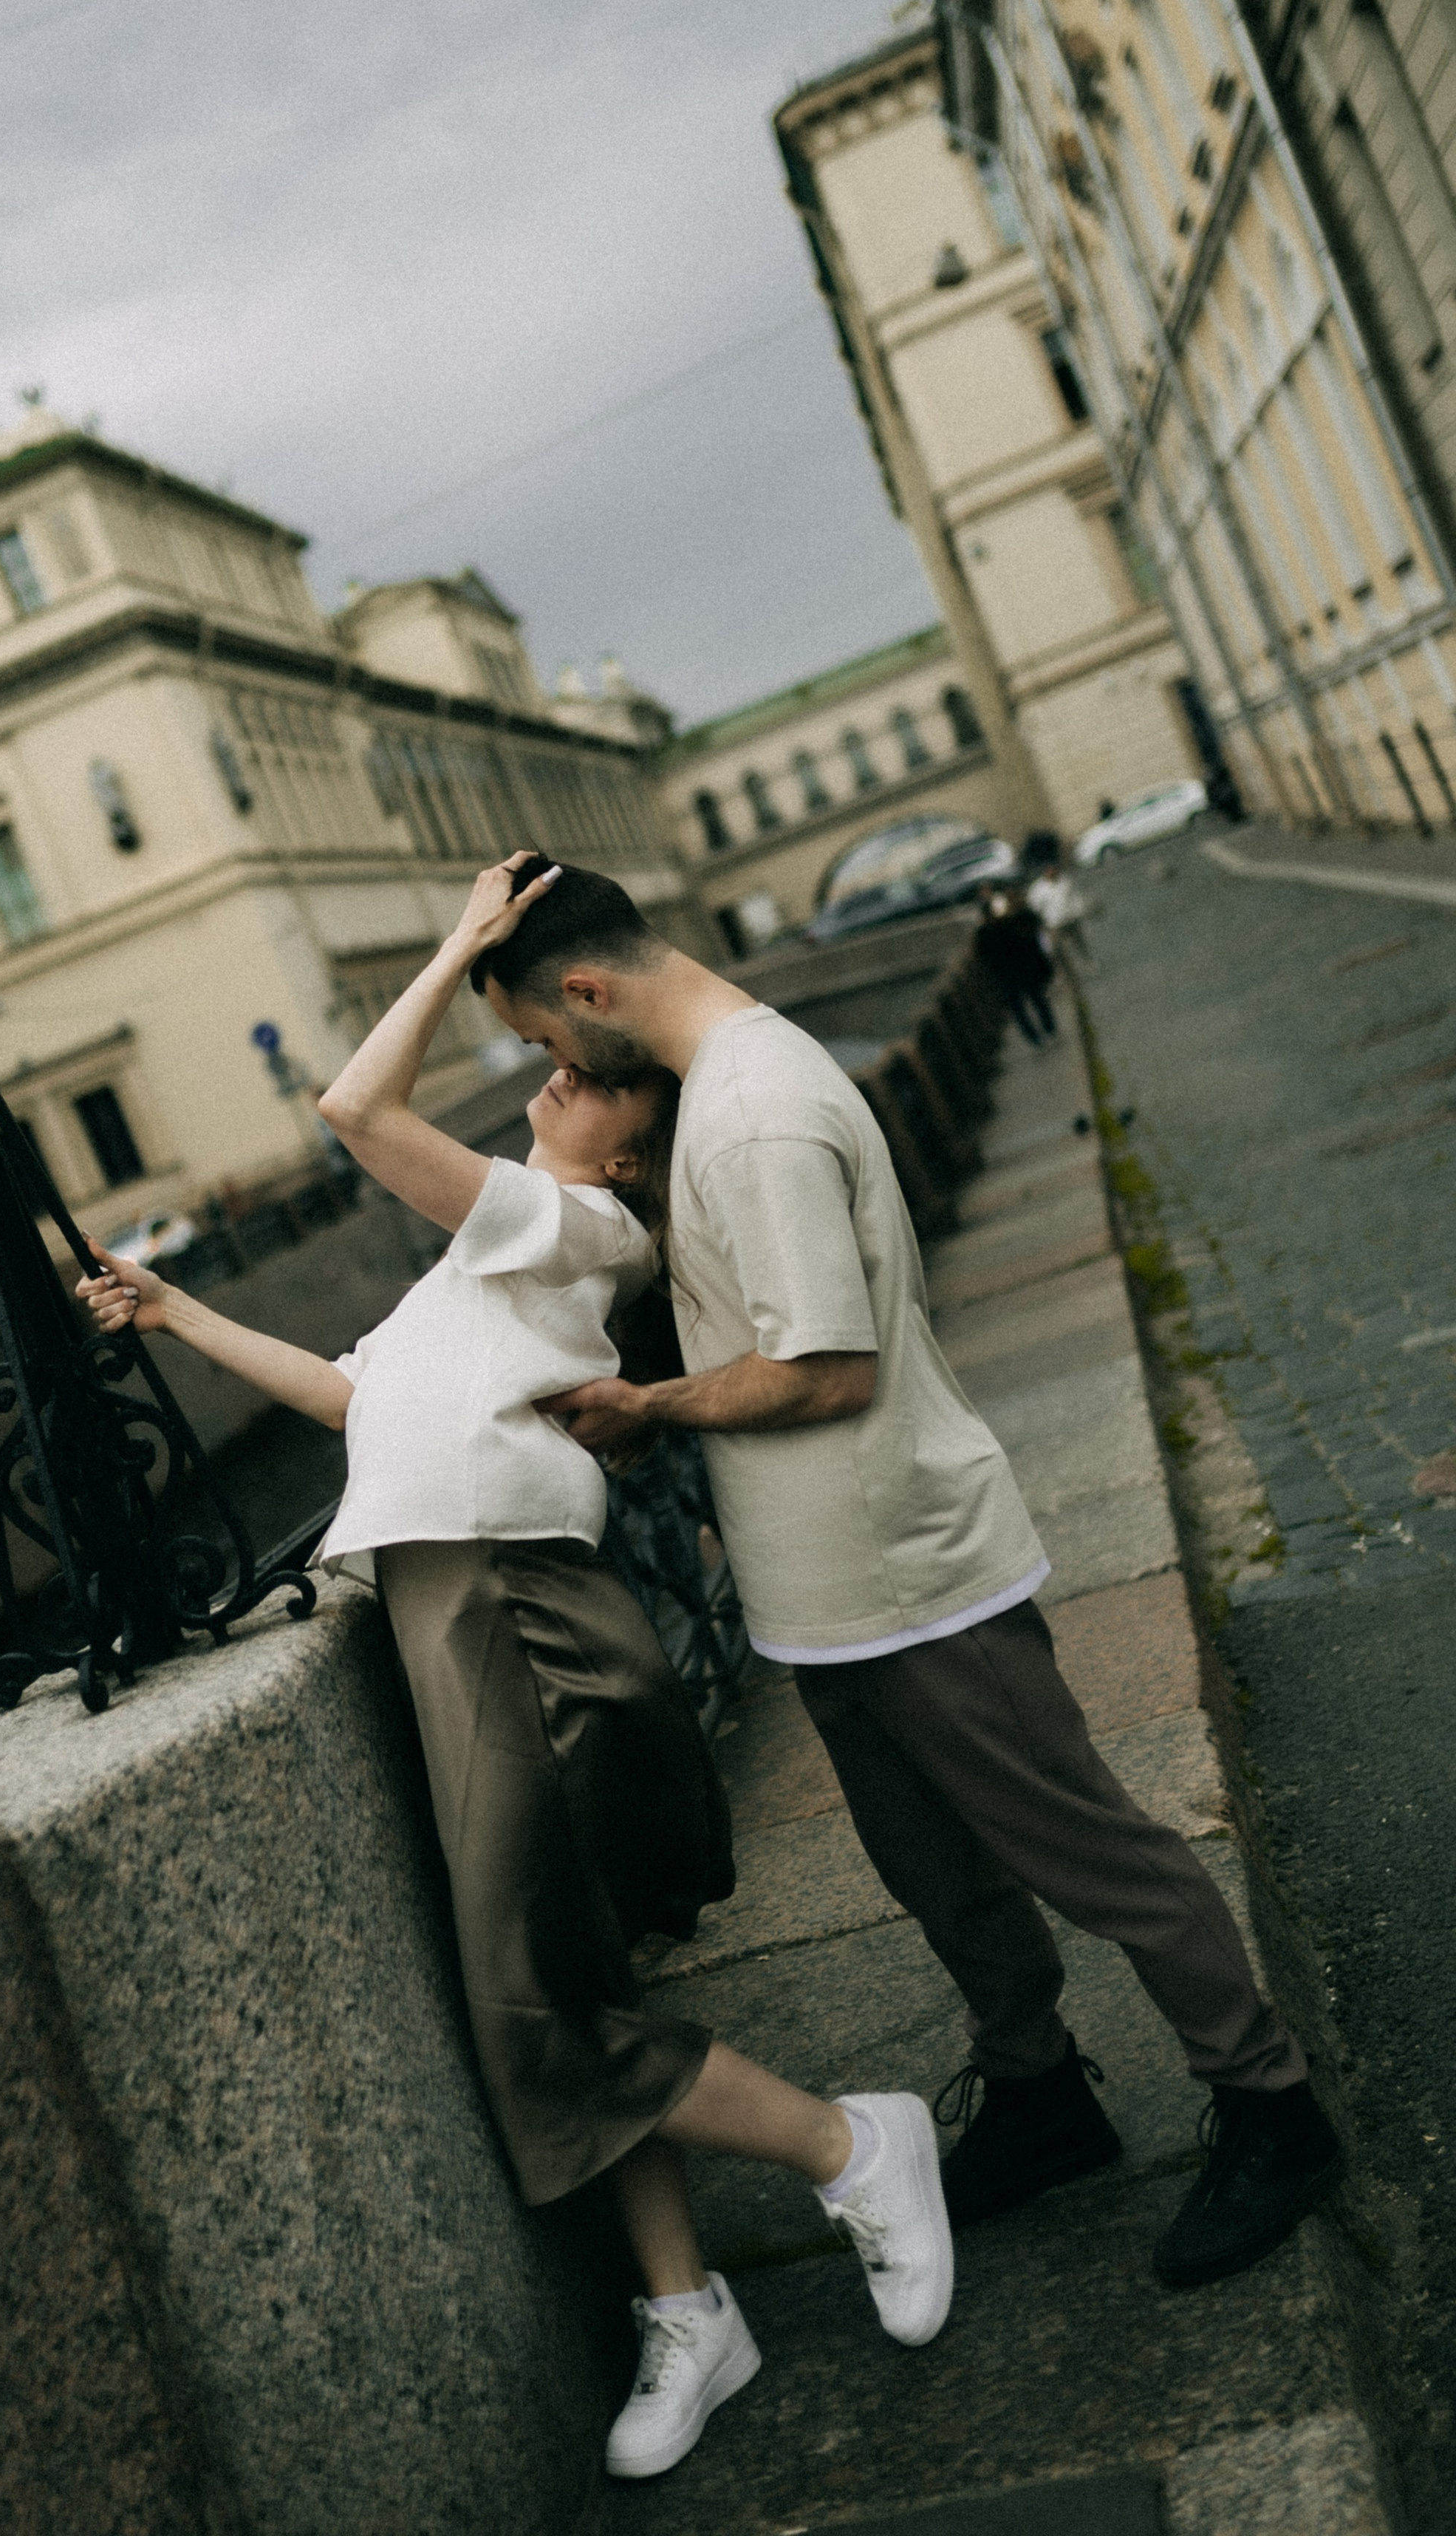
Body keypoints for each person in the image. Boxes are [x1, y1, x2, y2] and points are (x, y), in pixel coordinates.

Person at [78, 856, 952, 2483]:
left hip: (506, 1602)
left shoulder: (577, 1228)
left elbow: (355, 1105)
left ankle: (848, 2143)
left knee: (533, 2010)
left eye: (572, 1079)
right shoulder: (490, 1269)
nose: (547, 1080)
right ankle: (691, 2311)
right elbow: (356, 1402)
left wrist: (460, 944)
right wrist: (178, 1312)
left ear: (624, 1150)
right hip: (452, 1590)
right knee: (572, 1978)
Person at [474, 857, 1343, 2294]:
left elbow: (823, 1369)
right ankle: (1040, 2094)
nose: (552, 1068)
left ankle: (1269, 2104)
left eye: (542, 1039)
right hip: (827, 1596)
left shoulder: (750, 1114)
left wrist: (649, 1411)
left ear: (585, 991)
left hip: (910, 1575)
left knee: (1091, 1851)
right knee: (938, 1873)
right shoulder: (717, 1096)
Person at [975, 885, 1059, 1047]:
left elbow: (984, 959)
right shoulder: (1006, 925)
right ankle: (1046, 1032)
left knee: (1023, 1008)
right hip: (1018, 972)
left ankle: (1038, 1036)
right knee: (1033, 1002)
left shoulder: (986, 932)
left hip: (1008, 976)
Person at [1027, 860, 1094, 976]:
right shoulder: (1038, 889)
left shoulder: (1064, 882)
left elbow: (1074, 898)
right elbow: (1034, 908)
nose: (1052, 872)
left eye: (1054, 869)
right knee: (1056, 949)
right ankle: (1065, 972)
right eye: (1049, 870)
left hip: (1069, 919)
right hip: (1054, 923)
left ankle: (1088, 965)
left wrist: (1080, 910)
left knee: (1079, 944)